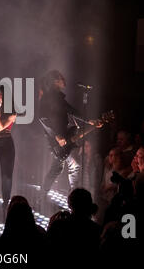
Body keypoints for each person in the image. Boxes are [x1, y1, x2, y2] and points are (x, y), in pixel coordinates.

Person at [38, 70, 98, 198]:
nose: (64, 80)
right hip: (56, 139)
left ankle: (48, 195)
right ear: (55, 81)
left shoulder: (57, 97)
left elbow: (71, 110)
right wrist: (56, 135)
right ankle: (64, 195)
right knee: (66, 166)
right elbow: (43, 118)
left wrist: (89, 120)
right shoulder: (48, 97)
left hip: (62, 137)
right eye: (61, 78)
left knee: (61, 167)